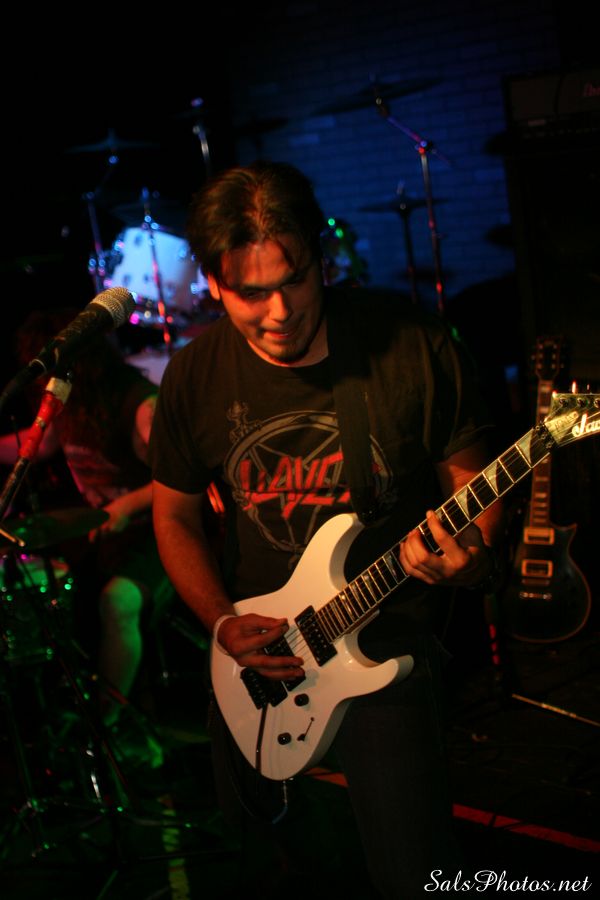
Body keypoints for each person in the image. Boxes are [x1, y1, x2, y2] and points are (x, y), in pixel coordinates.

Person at [149, 161, 504, 897]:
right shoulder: (193, 376)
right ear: (213, 283)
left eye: (297, 280)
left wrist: (469, 555)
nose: (280, 311)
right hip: (255, 658)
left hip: (386, 639)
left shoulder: (410, 344)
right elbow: (174, 514)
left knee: (414, 873)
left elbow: (474, 483)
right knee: (265, 870)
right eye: (251, 293)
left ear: (322, 256)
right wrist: (221, 622)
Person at [0, 311, 169, 768]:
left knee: (118, 602)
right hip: (106, 536)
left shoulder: (140, 405)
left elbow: (180, 479)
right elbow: (36, 445)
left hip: (157, 534)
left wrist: (125, 506)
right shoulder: (71, 404)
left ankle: (109, 725)